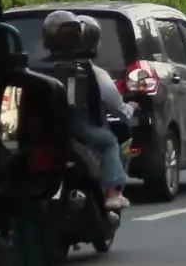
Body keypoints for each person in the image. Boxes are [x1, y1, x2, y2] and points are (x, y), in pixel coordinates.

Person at [39, 11, 129, 211]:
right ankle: (113, 193)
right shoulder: (83, 68)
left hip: (42, 126)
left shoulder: (38, 66)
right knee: (109, 142)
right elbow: (94, 101)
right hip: (75, 125)